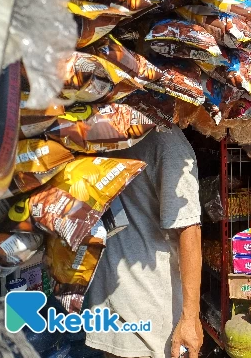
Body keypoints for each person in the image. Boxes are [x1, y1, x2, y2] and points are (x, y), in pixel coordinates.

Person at [84, 126, 203, 358]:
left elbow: (189, 229)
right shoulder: (94, 131)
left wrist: (190, 317)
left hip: (150, 316)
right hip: (111, 307)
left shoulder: (164, 140)